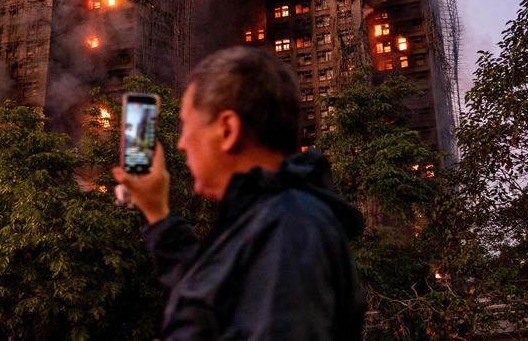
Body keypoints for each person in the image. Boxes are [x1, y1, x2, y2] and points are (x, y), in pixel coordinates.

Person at [113, 46, 366, 339]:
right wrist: (157, 213)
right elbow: (206, 301)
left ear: (227, 130)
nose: (181, 144)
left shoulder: (290, 229)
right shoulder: (269, 219)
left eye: (186, 125)